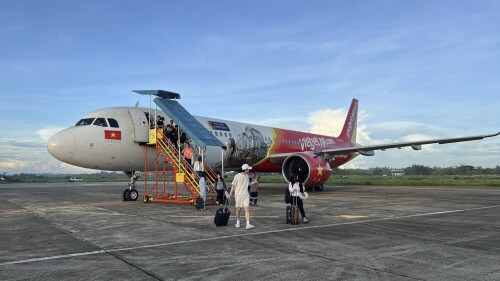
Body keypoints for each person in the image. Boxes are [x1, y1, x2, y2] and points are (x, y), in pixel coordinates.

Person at [228, 164, 254, 230]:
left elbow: (248, 184)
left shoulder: (247, 176)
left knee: (247, 209)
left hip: (246, 195)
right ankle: (238, 222)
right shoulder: (237, 176)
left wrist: (254, 182)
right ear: (245, 170)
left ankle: (248, 224)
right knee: (238, 209)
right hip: (238, 195)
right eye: (248, 169)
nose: (249, 170)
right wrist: (230, 195)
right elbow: (233, 186)